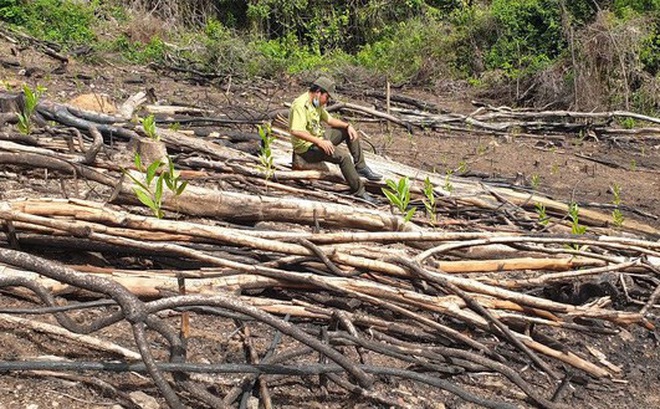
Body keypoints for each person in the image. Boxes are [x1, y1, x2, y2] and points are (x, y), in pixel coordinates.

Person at [288, 76, 382, 204]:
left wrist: (348, 126)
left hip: (319, 138)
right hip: (308, 148)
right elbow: (295, 131)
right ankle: (360, 191)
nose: (327, 101)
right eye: (327, 97)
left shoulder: (316, 103)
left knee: (348, 132)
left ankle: (361, 166)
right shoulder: (300, 105)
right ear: (318, 92)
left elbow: (330, 120)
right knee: (344, 157)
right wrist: (319, 142)